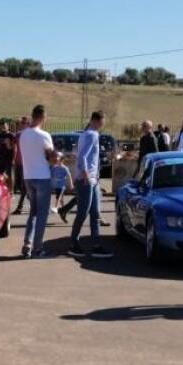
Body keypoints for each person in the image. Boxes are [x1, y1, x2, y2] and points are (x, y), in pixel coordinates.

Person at [66, 111, 112, 259]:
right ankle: (74, 242)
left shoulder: (87, 134)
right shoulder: (92, 135)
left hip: (93, 180)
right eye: (102, 122)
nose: (102, 125)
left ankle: (96, 245)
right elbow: (82, 157)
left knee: (95, 213)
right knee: (83, 213)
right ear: (97, 121)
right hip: (86, 180)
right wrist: (86, 176)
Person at [18, 105, 56, 258]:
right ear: (43, 117)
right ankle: (37, 248)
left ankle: (27, 244)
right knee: (42, 214)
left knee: (33, 212)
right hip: (42, 177)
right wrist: (57, 158)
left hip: (28, 176)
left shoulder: (22, 135)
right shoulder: (44, 135)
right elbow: (52, 158)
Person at [12, 116, 29, 215]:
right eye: (20, 123)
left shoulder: (29, 135)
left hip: (26, 163)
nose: (21, 125)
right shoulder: (17, 135)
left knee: (24, 186)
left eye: (23, 123)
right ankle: (30, 199)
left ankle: (20, 207)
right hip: (18, 162)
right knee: (19, 185)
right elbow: (12, 146)